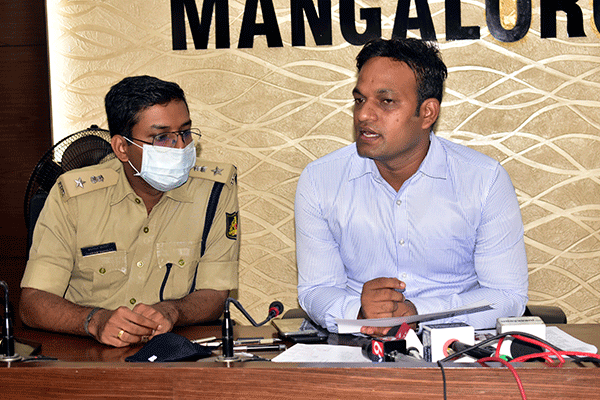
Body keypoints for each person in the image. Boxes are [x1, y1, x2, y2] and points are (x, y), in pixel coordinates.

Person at [295, 38, 528, 335]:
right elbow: (317, 289)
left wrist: (420, 313)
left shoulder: (484, 180)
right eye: (360, 100)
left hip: (455, 343)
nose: (363, 115)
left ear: (427, 113)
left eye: (386, 101)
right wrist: (358, 313)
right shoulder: (320, 180)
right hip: (356, 344)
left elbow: (507, 296)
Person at [20, 76, 239, 347]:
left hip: (175, 350)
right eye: (162, 137)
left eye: (185, 133)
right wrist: (95, 321)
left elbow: (216, 293)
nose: (181, 147)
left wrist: (172, 311)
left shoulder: (214, 191)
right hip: (90, 353)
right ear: (121, 148)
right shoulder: (73, 197)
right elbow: (33, 303)